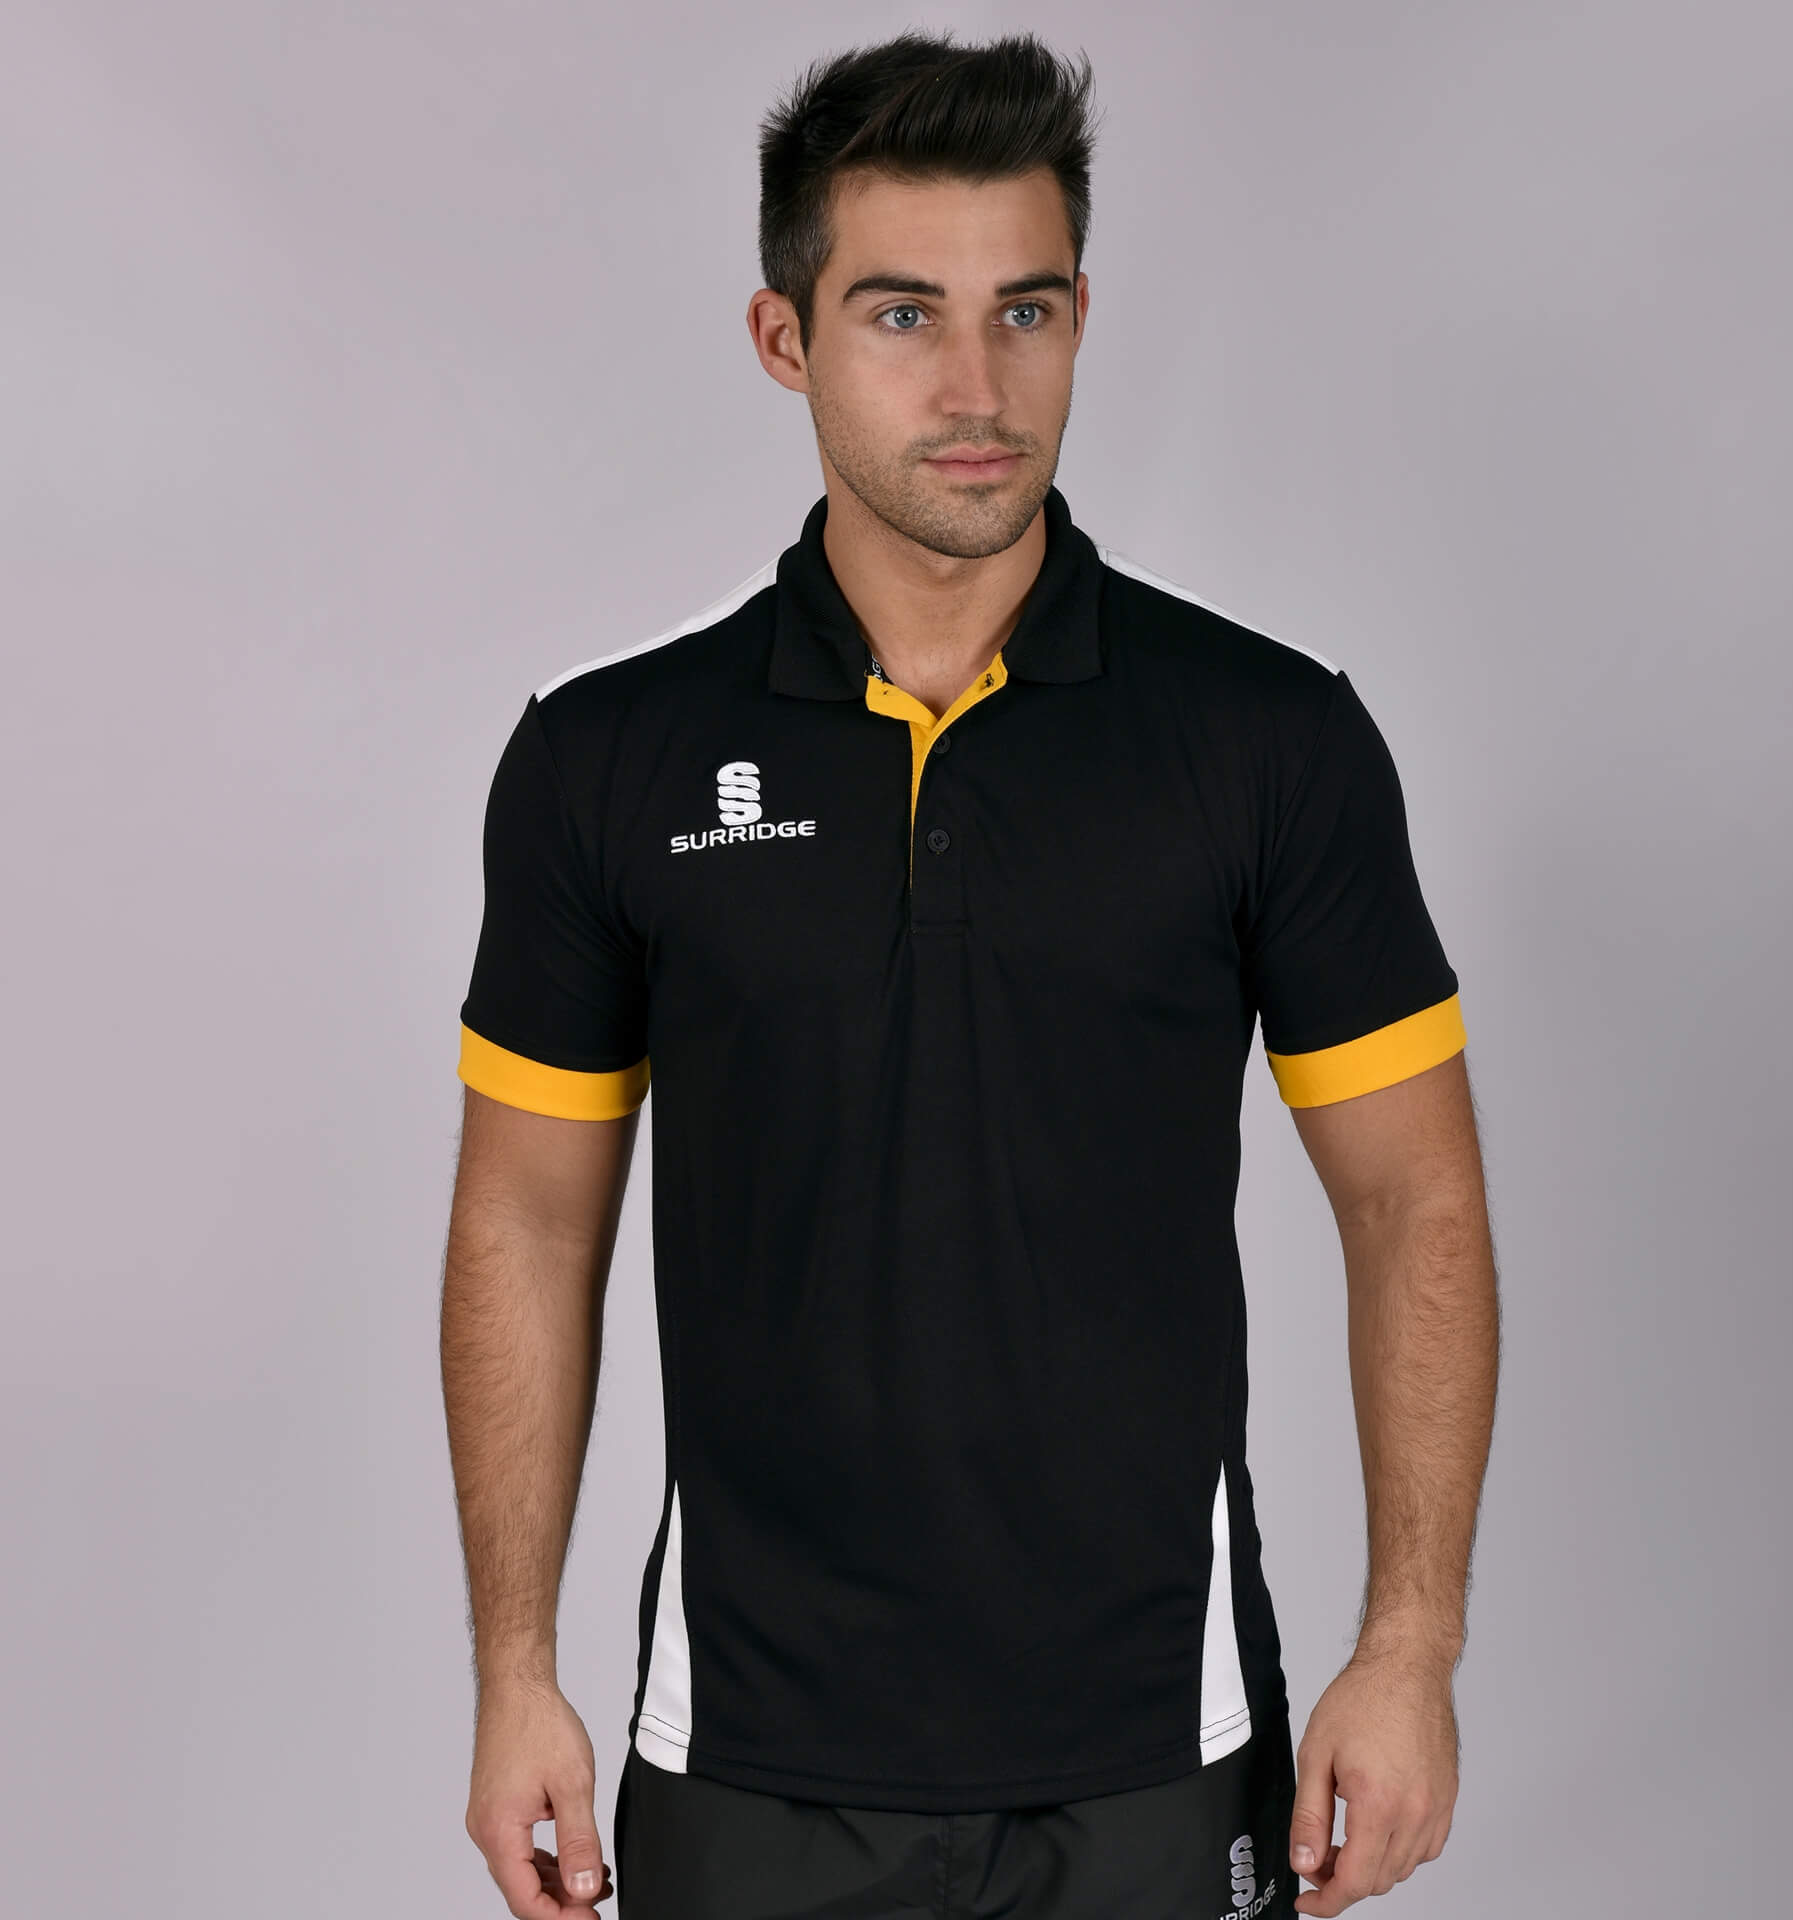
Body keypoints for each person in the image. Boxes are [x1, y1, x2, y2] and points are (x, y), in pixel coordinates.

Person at [440, 28, 1499, 1920]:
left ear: (1082, 315)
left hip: (1156, 1747)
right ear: (785, 339)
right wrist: (513, 1670)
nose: (976, 385)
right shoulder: (609, 760)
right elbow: (525, 1220)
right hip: (745, 1750)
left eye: (1025, 310)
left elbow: (1414, 1199)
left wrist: (1408, 1646)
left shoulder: (1266, 740)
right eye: (901, 315)